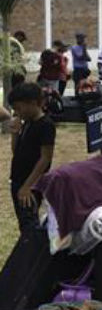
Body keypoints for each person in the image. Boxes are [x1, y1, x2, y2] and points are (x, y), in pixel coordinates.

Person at [9, 83, 53, 236]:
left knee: (30, 225)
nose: (16, 112)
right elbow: (17, 151)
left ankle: (33, 254)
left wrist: (28, 186)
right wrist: (15, 133)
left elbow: (45, 158)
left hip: (30, 183)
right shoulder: (27, 122)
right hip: (17, 180)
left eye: (18, 108)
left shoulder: (45, 125)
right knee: (24, 222)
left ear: (33, 103)